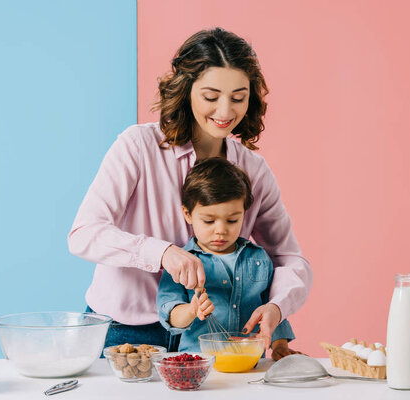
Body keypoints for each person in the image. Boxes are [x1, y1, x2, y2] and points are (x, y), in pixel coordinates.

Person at [67, 27, 312, 357]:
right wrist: (161, 252)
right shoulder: (138, 147)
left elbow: (289, 259)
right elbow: (84, 234)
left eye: (238, 98)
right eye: (211, 97)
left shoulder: (254, 170)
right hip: (125, 332)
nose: (225, 112)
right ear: (185, 90)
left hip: (211, 338)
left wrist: (278, 307)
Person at [157, 157, 299, 359]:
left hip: (249, 364)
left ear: (244, 214)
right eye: (209, 221)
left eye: (232, 220)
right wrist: (191, 310)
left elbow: (272, 308)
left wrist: (280, 346)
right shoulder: (181, 263)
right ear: (188, 214)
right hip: (200, 365)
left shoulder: (259, 259)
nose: (221, 231)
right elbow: (169, 314)